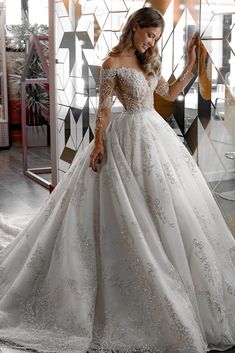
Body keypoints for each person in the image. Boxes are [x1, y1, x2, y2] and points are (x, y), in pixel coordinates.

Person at [0, 6, 235, 353]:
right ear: (136, 27)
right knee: (124, 211)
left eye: (156, 37)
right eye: (149, 35)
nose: (152, 42)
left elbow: (169, 94)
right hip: (124, 139)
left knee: (168, 208)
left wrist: (189, 63)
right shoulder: (112, 63)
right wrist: (97, 143)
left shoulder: (149, 58)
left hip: (154, 135)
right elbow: (105, 108)